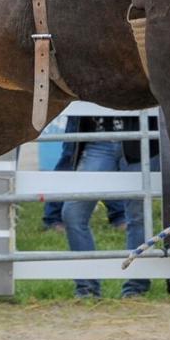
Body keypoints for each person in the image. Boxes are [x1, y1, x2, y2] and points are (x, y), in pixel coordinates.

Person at [61, 115, 158, 298]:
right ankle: (87, 287)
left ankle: (135, 287)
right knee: (73, 213)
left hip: (138, 138)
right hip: (97, 139)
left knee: (138, 215)